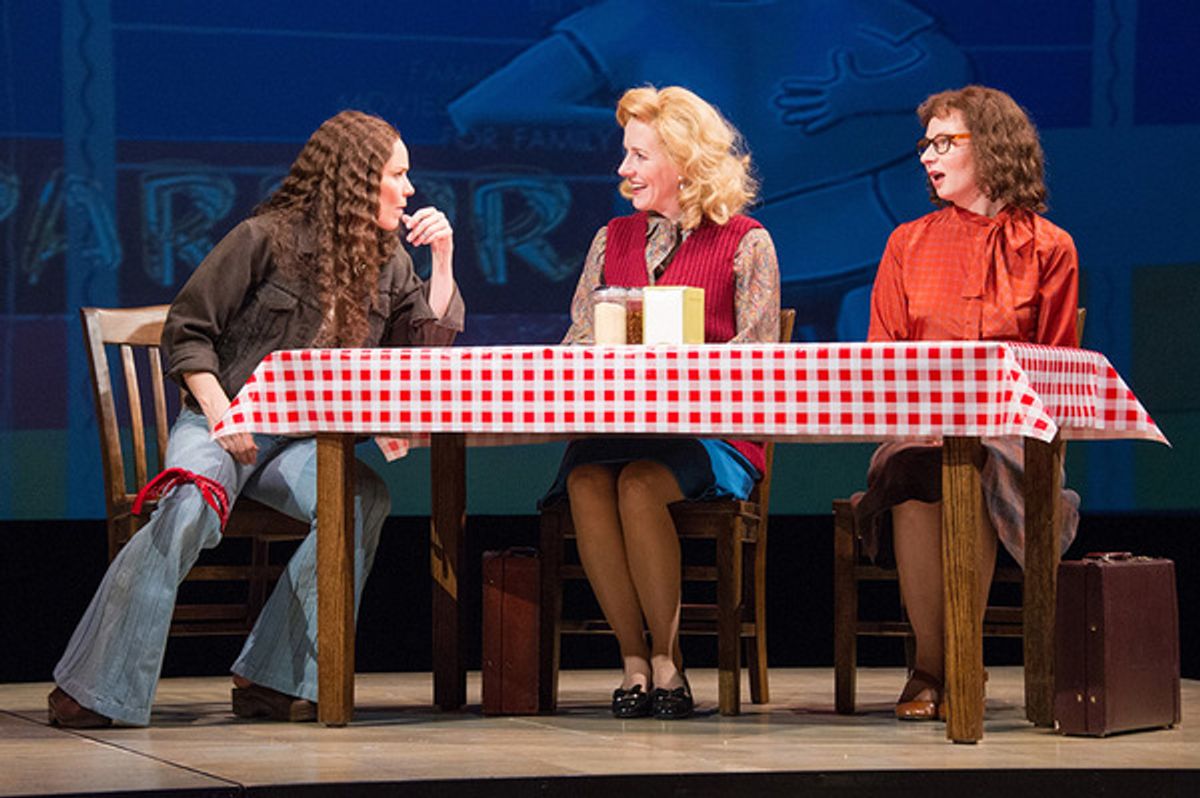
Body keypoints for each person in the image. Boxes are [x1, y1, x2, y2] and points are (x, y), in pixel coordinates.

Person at [48, 110, 465, 728]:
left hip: (298, 442)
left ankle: (271, 678)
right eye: (397, 175)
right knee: (191, 499)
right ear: (356, 178)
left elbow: (419, 351)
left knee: (360, 499)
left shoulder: (387, 262)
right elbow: (188, 330)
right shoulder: (265, 237)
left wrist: (444, 259)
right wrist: (222, 415)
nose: (408, 190)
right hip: (222, 418)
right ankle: (91, 687)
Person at [545, 85, 781, 719]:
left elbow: (758, 366)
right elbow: (577, 340)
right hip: (619, 428)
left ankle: (671, 662)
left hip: (712, 437)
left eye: (639, 155)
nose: (624, 169)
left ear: (683, 159)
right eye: (626, 154)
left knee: (642, 485)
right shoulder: (610, 239)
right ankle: (633, 660)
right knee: (589, 482)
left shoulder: (745, 241)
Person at [853, 85, 1080, 721]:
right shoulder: (908, 243)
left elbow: (1057, 368)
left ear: (995, 147)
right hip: (920, 432)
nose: (928, 155)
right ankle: (939, 663)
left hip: (1011, 439)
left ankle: (951, 663)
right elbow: (883, 359)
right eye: (926, 143)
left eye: (945, 142)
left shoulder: (1049, 247)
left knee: (972, 464)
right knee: (917, 470)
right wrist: (922, 421)